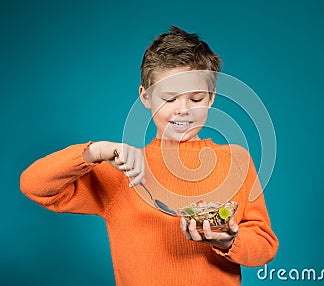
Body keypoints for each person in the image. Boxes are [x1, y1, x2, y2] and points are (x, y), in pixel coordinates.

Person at [20, 26, 278, 285]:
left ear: (211, 98)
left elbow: (265, 246)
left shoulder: (236, 161)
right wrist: (95, 151)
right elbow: (34, 185)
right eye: (169, 99)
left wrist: (229, 241)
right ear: (145, 97)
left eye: (196, 99)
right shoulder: (123, 170)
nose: (183, 110)